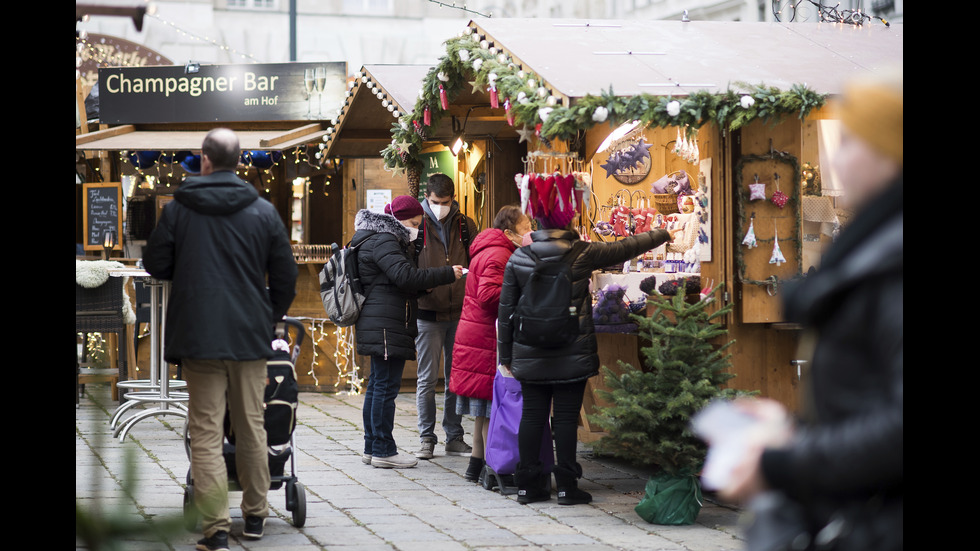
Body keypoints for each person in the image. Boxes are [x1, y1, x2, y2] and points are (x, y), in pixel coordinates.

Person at [712, 69, 903, 551]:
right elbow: (868, 396)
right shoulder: (872, 249)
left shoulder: (891, 263)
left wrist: (782, 461)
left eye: (851, 141)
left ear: (888, 152)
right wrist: (791, 429)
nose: (837, 157)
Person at [143, 128, 298, 551]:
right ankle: (255, 515)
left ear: (204, 159)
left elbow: (155, 263)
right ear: (239, 162)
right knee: (252, 425)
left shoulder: (178, 209)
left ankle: (215, 529)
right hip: (249, 336)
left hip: (198, 334)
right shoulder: (263, 210)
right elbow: (285, 277)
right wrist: (267, 318)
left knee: (206, 429)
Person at [497, 186, 677, 505]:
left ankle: (528, 486)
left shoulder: (519, 257)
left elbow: (506, 309)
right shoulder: (582, 251)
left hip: (530, 349)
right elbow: (624, 247)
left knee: (532, 417)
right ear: (567, 221)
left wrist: (507, 354)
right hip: (571, 347)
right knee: (565, 419)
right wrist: (663, 232)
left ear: (537, 223)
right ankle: (567, 487)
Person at [354, 195, 464, 469]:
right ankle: (383, 449)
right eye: (414, 223)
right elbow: (405, 276)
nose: (416, 229)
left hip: (382, 320)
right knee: (386, 387)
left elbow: (396, 280)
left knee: (378, 385)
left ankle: (372, 446)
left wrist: (420, 285)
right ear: (400, 220)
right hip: (386, 322)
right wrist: (447, 273)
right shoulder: (385, 239)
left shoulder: (377, 236)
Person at [450, 205, 532, 482]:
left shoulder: (491, 249)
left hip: (476, 336)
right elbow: (488, 295)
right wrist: (523, 297)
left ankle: (475, 465)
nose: (531, 233)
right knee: (490, 408)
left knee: (482, 411)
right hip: (485, 339)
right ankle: (494, 470)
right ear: (508, 232)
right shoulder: (499, 253)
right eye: (526, 228)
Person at [413, 173, 479, 459]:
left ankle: (454, 436)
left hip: (459, 311)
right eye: (435, 201)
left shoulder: (465, 225)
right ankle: (427, 437)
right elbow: (406, 269)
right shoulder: (416, 226)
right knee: (427, 379)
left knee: (456, 378)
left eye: (446, 202)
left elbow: (476, 261)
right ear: (426, 197)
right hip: (427, 312)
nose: (440, 206)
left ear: (454, 199)